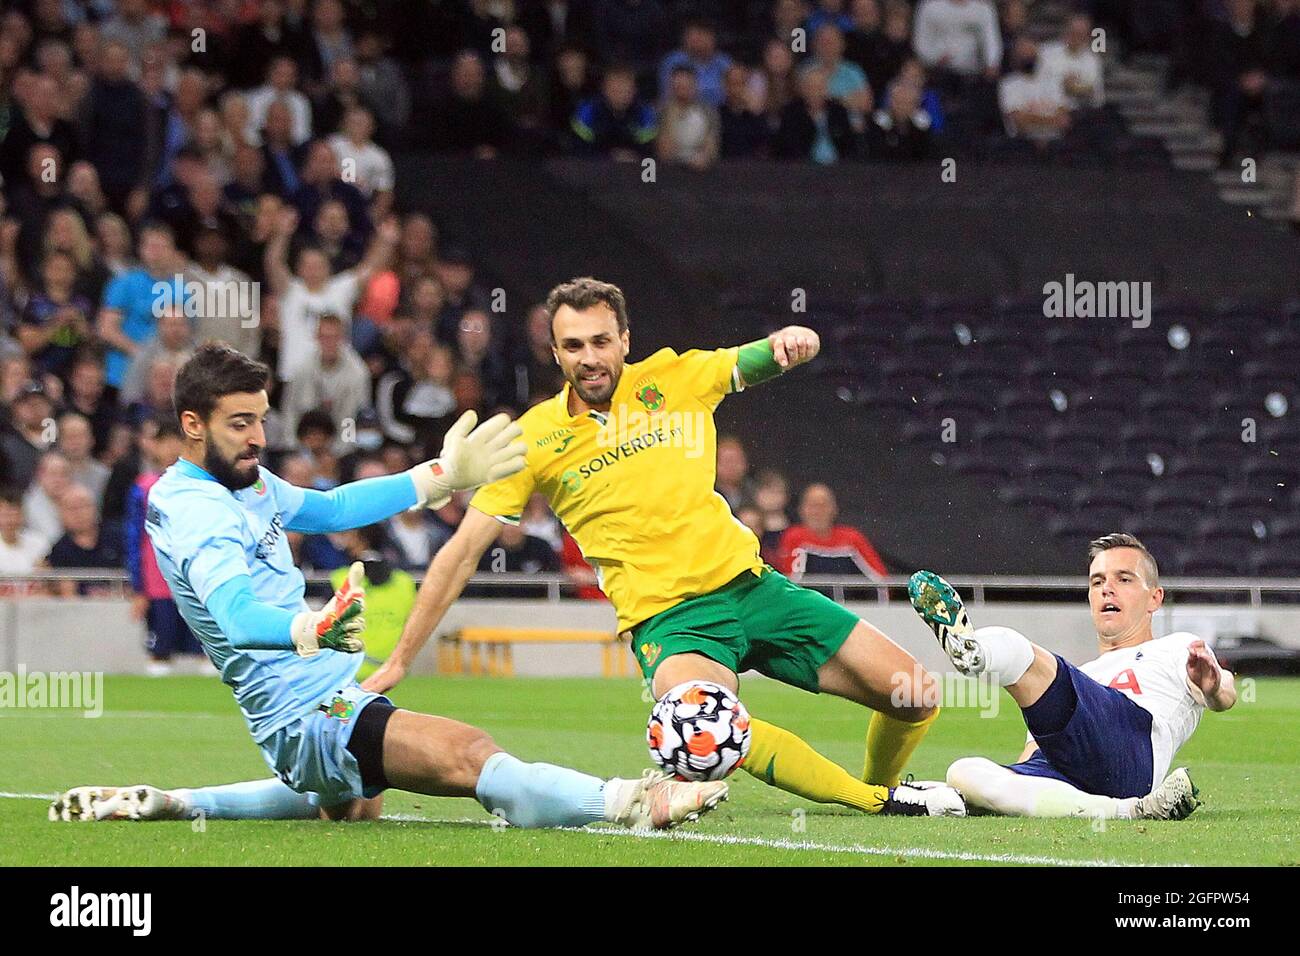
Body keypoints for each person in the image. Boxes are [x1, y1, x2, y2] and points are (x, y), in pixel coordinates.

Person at [52, 343, 725, 830]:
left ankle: (184, 802)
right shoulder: (195, 510)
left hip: (317, 704)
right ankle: (634, 802)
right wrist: (307, 630)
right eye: (239, 424)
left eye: (260, 419)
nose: (257, 437)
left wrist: (439, 477)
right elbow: (232, 614)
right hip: (307, 714)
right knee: (469, 754)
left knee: (353, 803)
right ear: (191, 426)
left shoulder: (244, 480)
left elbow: (332, 508)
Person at [364, 277, 964, 817]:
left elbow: (753, 360)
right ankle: (876, 804)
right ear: (555, 353)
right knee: (704, 731)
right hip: (671, 623)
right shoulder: (532, 439)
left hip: (754, 589)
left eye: (601, 341)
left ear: (625, 339)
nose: (589, 358)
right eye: (573, 346)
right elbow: (462, 551)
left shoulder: (677, 377)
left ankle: (885, 786)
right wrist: (398, 659)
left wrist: (787, 342)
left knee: (914, 695)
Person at [909, 533, 1232, 820]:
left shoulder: (1177, 647)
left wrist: (1214, 686)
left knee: (1023, 655)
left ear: (1154, 598)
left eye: (1124, 579)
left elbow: (1225, 694)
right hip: (1068, 765)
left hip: (1131, 749)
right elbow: (1034, 752)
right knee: (964, 772)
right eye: (1097, 582)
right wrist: (1008, 783)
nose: (1107, 589)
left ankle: (975, 653)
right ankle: (1130, 811)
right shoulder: (1080, 678)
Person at [776, 483, 888, 579]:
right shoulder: (794, 536)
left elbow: (881, 580)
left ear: (834, 509)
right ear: (801, 510)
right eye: (812, 506)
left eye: (823, 505)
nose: (817, 512)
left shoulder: (852, 538)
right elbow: (790, 583)